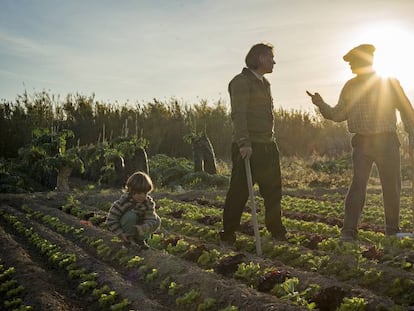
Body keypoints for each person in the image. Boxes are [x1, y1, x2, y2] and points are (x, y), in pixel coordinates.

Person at [306, 43, 414, 241]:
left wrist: (412, 138)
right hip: (362, 143)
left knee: (391, 186)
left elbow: (407, 112)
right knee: (358, 185)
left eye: (353, 62)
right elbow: (338, 115)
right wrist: (320, 104)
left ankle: (392, 230)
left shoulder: (389, 83)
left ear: (366, 61)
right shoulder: (350, 86)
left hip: (387, 141)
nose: (350, 66)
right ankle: (348, 232)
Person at [219, 42, 287, 244]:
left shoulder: (264, 83)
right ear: (259, 58)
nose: (274, 61)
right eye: (270, 57)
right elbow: (239, 115)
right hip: (249, 145)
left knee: (274, 191)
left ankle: (277, 231)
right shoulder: (241, 82)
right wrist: (244, 143)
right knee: (239, 192)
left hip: (267, 144)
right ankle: (228, 233)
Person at [106, 171, 161, 249]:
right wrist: (120, 234)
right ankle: (129, 241)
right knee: (131, 216)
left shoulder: (148, 202)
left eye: (145, 193)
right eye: (139, 193)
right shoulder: (122, 203)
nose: (142, 196)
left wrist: (144, 227)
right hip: (125, 229)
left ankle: (140, 240)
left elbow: (151, 218)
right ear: (131, 191)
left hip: (140, 228)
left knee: (157, 220)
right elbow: (111, 220)